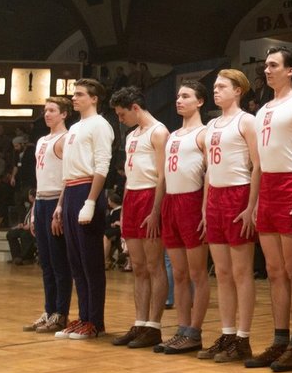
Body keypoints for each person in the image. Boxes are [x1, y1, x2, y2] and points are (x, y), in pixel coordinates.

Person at [249, 48, 292, 371]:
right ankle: (278, 340)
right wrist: (254, 202)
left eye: (273, 64)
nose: (267, 70)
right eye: (266, 65)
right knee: (274, 272)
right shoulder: (262, 110)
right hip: (268, 191)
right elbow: (259, 164)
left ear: (290, 70)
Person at [198, 70, 259, 364]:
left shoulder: (247, 121)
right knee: (221, 273)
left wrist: (251, 205)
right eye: (214, 87)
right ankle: (227, 332)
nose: (216, 91)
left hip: (239, 193)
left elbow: (258, 165)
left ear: (238, 90)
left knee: (241, 272)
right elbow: (209, 169)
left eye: (222, 87)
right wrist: (205, 205)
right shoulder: (210, 125)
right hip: (216, 198)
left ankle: (243, 338)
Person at [53, 79, 115, 340]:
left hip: (88, 189)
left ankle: (96, 321)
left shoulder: (101, 125)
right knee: (75, 260)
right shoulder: (75, 128)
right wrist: (60, 204)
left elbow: (102, 164)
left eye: (79, 94)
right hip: (71, 191)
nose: (74, 98)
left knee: (91, 262)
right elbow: (68, 172)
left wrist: (91, 201)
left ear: (94, 98)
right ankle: (84, 316)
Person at [108, 86, 169, 351]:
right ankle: (140, 322)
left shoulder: (159, 132)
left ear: (135, 108)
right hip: (131, 197)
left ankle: (154, 327)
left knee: (154, 265)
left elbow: (163, 175)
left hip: (150, 197)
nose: (120, 120)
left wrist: (156, 210)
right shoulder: (132, 135)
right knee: (138, 267)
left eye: (122, 115)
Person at [159, 82, 209, 354]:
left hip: (192, 200)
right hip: (171, 201)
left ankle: (195, 332)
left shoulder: (204, 134)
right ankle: (181, 328)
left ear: (199, 102)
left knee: (197, 273)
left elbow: (211, 174)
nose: (179, 100)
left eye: (185, 96)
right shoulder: (173, 135)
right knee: (178, 273)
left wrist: (204, 208)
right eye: (178, 95)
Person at [24, 97, 72, 334]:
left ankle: (61, 313)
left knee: (58, 262)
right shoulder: (42, 140)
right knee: (45, 262)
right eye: (45, 110)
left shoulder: (66, 139)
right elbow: (39, 177)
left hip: (55, 200)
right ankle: (49, 309)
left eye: (52, 110)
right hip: (41, 200)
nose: (47, 114)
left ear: (64, 114)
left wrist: (60, 207)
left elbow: (67, 176)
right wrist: (34, 209)